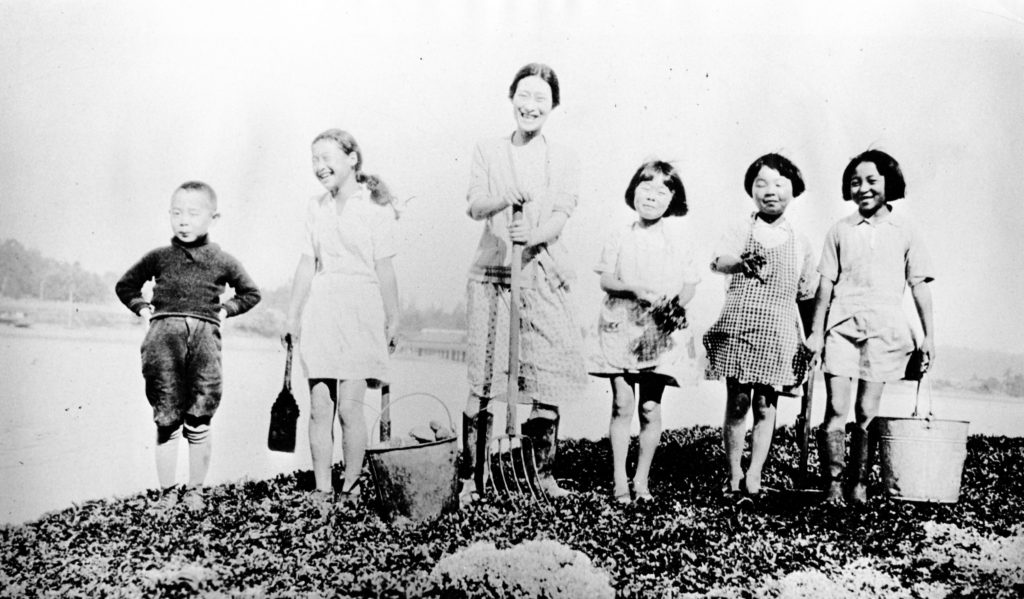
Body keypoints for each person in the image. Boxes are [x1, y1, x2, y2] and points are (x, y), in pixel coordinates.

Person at [460, 62, 587, 501]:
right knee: (484, 375)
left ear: (553, 106)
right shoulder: (487, 149)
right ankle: (474, 476)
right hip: (493, 276)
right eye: (524, 96)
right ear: (511, 96)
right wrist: (503, 200)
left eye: (541, 100)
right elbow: (475, 205)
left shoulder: (564, 157)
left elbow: (561, 216)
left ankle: (539, 473)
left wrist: (530, 235)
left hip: (541, 274)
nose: (530, 107)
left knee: (545, 376)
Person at [115, 181, 261, 498]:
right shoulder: (158, 257)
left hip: (206, 339)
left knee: (199, 414)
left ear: (213, 218)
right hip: (162, 340)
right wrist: (142, 309)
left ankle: (195, 490)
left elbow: (251, 293)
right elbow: (125, 286)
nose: (184, 220)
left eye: (193, 213)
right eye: (177, 213)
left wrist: (226, 310)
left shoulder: (223, 260)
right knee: (167, 418)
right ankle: (168, 493)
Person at [805, 149, 934, 505]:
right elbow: (825, 286)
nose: (863, 188)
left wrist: (928, 336)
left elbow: (919, 285)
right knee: (836, 408)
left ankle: (859, 483)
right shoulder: (840, 230)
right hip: (842, 328)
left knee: (867, 411)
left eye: (871, 180)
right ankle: (832, 483)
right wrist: (816, 333)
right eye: (855, 182)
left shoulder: (905, 230)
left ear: (888, 183)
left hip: (884, 330)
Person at [283, 129, 400, 500]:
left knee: (350, 408)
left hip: (359, 310)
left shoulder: (375, 207)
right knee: (320, 407)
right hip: (322, 309)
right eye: (313, 159)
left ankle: (349, 486)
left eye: (326, 157)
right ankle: (322, 488)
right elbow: (306, 264)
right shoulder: (315, 207)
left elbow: (385, 268)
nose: (319, 166)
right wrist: (292, 316)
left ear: (352, 158)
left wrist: (393, 318)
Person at [703, 153, 817, 506]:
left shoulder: (801, 241)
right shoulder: (742, 229)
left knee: (766, 404)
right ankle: (734, 472)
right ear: (751, 190)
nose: (770, 192)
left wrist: (813, 337)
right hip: (739, 325)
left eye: (779, 184)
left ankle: (755, 474)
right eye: (761, 184)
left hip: (777, 330)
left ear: (793, 190)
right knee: (737, 401)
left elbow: (806, 295)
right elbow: (718, 261)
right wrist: (740, 262)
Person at [589, 160, 699, 504]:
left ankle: (641, 481)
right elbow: (606, 278)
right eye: (645, 188)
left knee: (650, 407)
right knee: (622, 404)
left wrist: (674, 307)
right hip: (621, 326)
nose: (651, 197)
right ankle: (619, 481)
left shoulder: (677, 240)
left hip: (656, 332)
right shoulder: (619, 234)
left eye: (661, 191)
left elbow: (689, 283)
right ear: (633, 191)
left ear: (673, 199)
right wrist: (634, 290)